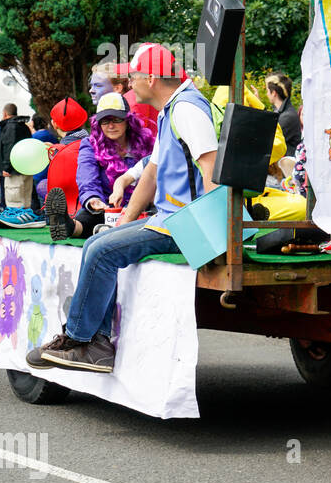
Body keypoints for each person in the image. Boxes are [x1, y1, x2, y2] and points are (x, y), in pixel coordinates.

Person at [31, 43, 217, 373]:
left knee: (101, 251)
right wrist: (124, 221)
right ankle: (96, 343)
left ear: (152, 78)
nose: (130, 83)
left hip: (187, 226)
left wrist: (212, 239)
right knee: (97, 242)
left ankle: (80, 340)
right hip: (172, 220)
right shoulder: (173, 108)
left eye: (133, 76)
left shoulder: (186, 108)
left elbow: (211, 168)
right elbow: (152, 172)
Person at [45, 92, 155, 241]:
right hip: (106, 209)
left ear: (128, 120)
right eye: (105, 121)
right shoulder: (90, 144)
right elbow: (86, 177)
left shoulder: (147, 142)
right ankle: (68, 226)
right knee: (89, 215)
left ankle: (103, 230)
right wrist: (93, 199)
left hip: (142, 208)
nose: (110, 126)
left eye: (116, 119)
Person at [0, 102, 34, 211]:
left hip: (14, 170)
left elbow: (9, 147)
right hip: (26, 167)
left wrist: (6, 167)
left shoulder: (10, 127)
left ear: (5, 113)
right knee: (26, 200)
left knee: (14, 200)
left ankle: (17, 217)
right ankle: (26, 217)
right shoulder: (24, 126)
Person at [265, 72, 302, 156]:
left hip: (286, 162)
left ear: (274, 93)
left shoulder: (287, 117)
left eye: (267, 91)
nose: (267, 94)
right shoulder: (281, 112)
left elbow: (268, 139)